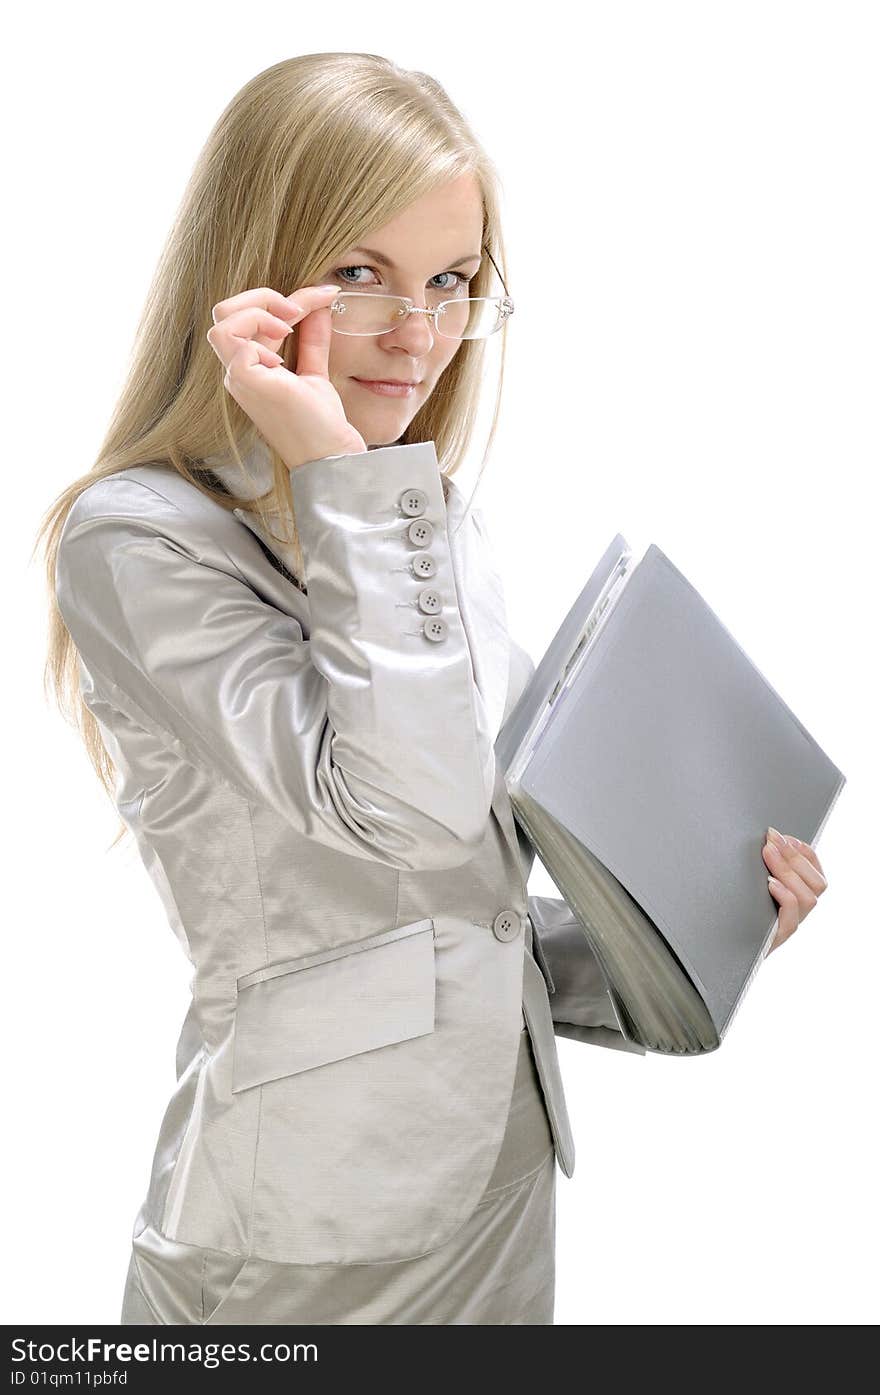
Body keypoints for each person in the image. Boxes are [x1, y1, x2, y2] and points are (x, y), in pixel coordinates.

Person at [38, 52, 827, 1327]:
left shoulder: (417, 517)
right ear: (251, 270)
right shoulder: (141, 540)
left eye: (450, 281)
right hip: (300, 1228)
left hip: (495, 1190)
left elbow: (457, 899)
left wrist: (683, 934)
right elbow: (403, 808)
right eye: (360, 275)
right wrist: (346, 482)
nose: (416, 332)